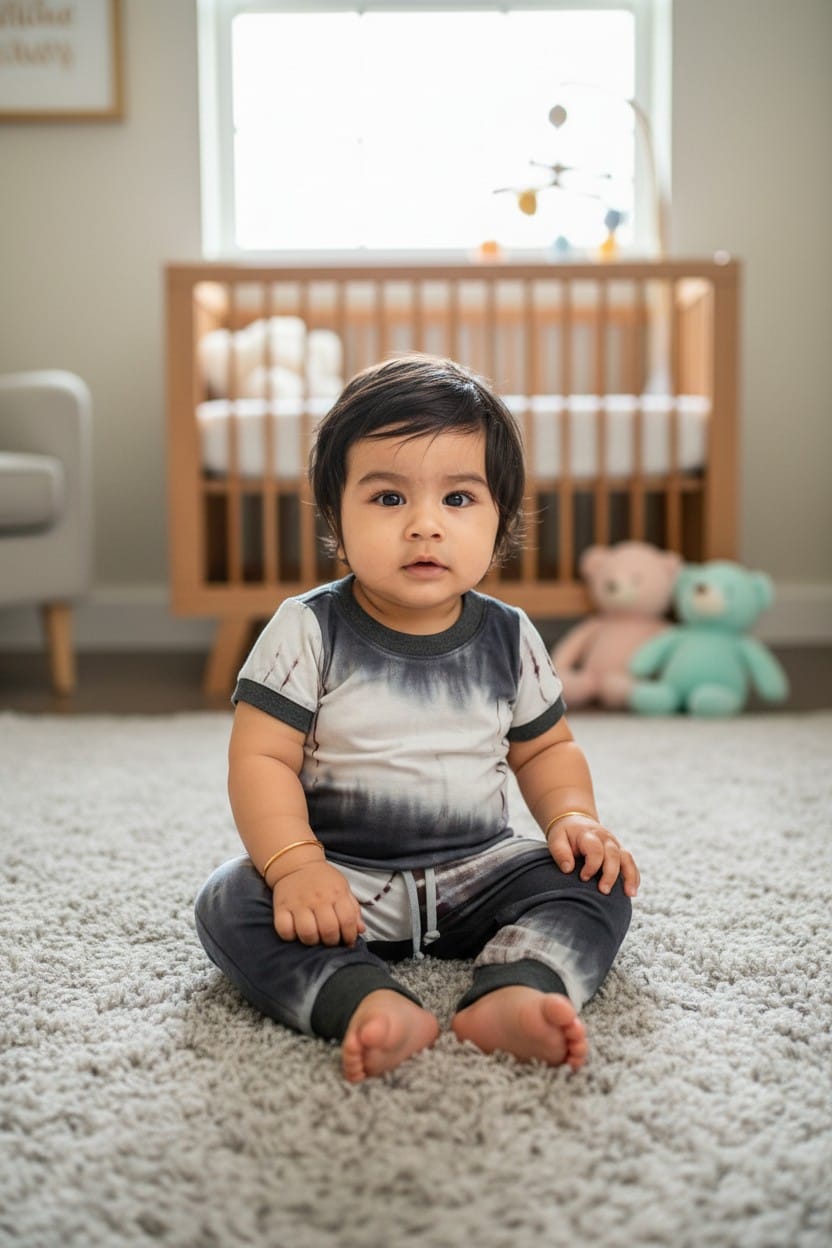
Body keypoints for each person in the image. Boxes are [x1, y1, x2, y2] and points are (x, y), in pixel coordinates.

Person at [195, 354, 639, 1083]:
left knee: (598, 881)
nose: (425, 526)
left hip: (480, 872)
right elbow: (261, 759)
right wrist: (298, 867)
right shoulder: (307, 629)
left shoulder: (509, 634)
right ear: (335, 517)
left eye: (459, 499)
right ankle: (361, 996)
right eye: (389, 499)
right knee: (231, 899)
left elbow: (546, 748)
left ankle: (518, 986)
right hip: (343, 882)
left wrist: (571, 819)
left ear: (501, 521)